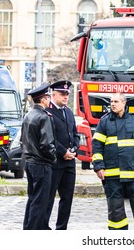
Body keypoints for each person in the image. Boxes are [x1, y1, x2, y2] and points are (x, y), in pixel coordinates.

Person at [91, 92, 134, 230]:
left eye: (116, 101)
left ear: (124, 103)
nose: (112, 104)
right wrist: (98, 167)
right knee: (115, 212)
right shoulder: (104, 121)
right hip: (112, 176)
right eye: (111, 101)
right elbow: (96, 146)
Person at [45, 80, 80, 230]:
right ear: (54, 94)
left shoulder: (69, 112)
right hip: (55, 162)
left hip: (69, 163)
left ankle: (62, 228)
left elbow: (75, 134)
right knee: (49, 198)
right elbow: (50, 137)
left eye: (67, 94)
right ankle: (43, 226)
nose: (65, 97)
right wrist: (63, 152)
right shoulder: (48, 112)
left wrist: (75, 148)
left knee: (67, 198)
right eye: (62, 94)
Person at [22, 83, 57, 230]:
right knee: (40, 201)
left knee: (33, 198)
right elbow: (47, 144)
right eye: (48, 97)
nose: (49, 100)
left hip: (29, 162)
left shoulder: (29, 115)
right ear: (43, 99)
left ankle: (29, 227)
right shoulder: (44, 117)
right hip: (42, 164)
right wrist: (54, 158)